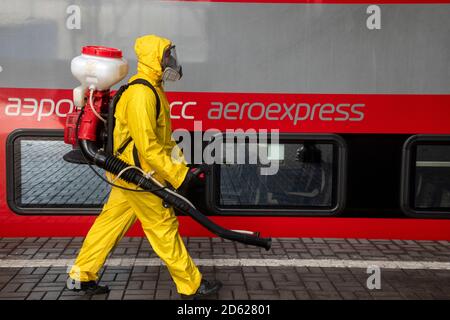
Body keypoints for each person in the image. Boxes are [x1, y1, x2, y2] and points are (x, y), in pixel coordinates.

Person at [67, 34, 222, 299]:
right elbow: (148, 146)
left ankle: (81, 275)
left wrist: (182, 165)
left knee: (109, 224)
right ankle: (191, 285)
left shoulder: (152, 90)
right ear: (154, 59)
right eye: (167, 57)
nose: (172, 62)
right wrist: (179, 175)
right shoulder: (142, 94)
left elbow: (162, 140)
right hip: (138, 175)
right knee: (163, 226)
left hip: (127, 173)